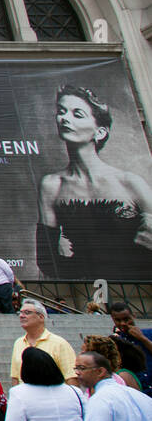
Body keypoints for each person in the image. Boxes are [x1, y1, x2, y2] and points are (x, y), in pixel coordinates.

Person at [35, 85, 152, 281]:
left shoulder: (130, 183)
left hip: (139, 288)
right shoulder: (52, 185)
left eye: (77, 114)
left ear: (100, 132)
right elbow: (46, 259)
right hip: (85, 291)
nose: (64, 118)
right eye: (61, 112)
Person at [10, 299, 79, 387]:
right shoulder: (18, 343)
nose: (21, 316)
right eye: (20, 312)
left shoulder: (59, 343)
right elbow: (15, 377)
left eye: (27, 312)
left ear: (41, 317)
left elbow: (71, 377)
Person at [109, 302, 152, 393]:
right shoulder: (116, 342)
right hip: (139, 391)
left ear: (133, 316)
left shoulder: (149, 334)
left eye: (126, 319)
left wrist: (142, 338)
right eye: (118, 320)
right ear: (113, 320)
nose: (123, 323)